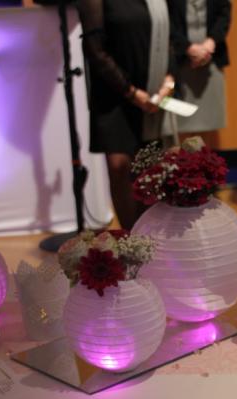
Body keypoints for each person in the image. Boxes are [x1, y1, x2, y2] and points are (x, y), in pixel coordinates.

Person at [78, 0, 177, 230]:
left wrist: (169, 82)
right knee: (119, 166)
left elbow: (171, 38)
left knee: (149, 168)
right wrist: (131, 92)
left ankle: (148, 240)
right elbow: (94, 49)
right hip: (114, 94)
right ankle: (130, 239)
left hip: (153, 94)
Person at [169, 0, 231, 135]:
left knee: (210, 121)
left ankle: (205, 156)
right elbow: (167, 20)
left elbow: (224, 14)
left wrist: (211, 42)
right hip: (179, 59)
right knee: (178, 123)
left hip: (211, 57)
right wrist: (188, 48)